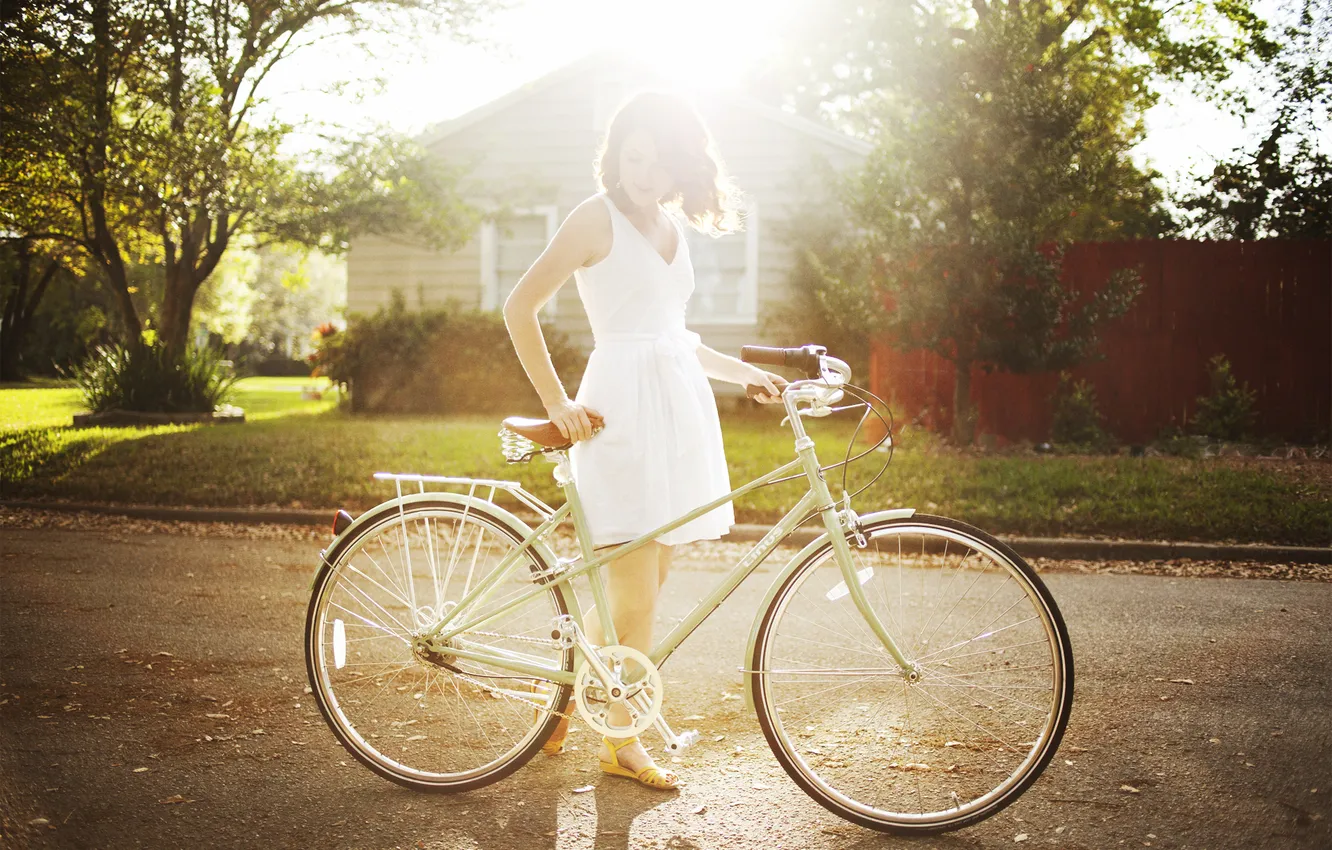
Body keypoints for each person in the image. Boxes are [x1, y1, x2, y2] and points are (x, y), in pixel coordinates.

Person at [503, 90, 785, 790]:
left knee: (648, 577)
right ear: (617, 155)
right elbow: (520, 306)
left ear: (679, 167)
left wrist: (742, 371)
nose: (646, 173)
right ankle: (621, 741)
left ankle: (566, 695)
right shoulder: (593, 219)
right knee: (638, 595)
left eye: (660, 162)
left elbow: (675, 336)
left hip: (676, 409)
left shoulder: (669, 226)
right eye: (635, 157)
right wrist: (557, 402)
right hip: (621, 409)